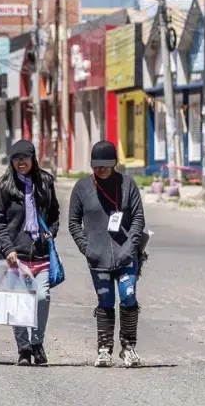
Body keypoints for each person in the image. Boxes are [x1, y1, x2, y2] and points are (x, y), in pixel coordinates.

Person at [68, 140, 146, 368]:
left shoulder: (128, 185)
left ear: (114, 164)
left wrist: (131, 248)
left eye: (105, 164)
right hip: (97, 258)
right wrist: (86, 248)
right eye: (96, 165)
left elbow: (138, 219)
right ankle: (104, 349)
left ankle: (129, 348)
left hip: (126, 257)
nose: (99, 169)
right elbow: (73, 223)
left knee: (128, 295)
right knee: (106, 301)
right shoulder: (82, 188)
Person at [0, 139, 60, 366]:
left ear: (33, 159)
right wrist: (8, 249)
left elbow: (55, 213)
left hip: (40, 255)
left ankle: (37, 342)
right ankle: (23, 348)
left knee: (42, 296)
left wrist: (51, 232)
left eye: (25, 158)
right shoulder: (4, 187)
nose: (21, 163)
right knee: (18, 303)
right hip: (15, 257)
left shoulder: (46, 183)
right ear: (12, 161)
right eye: (17, 159)